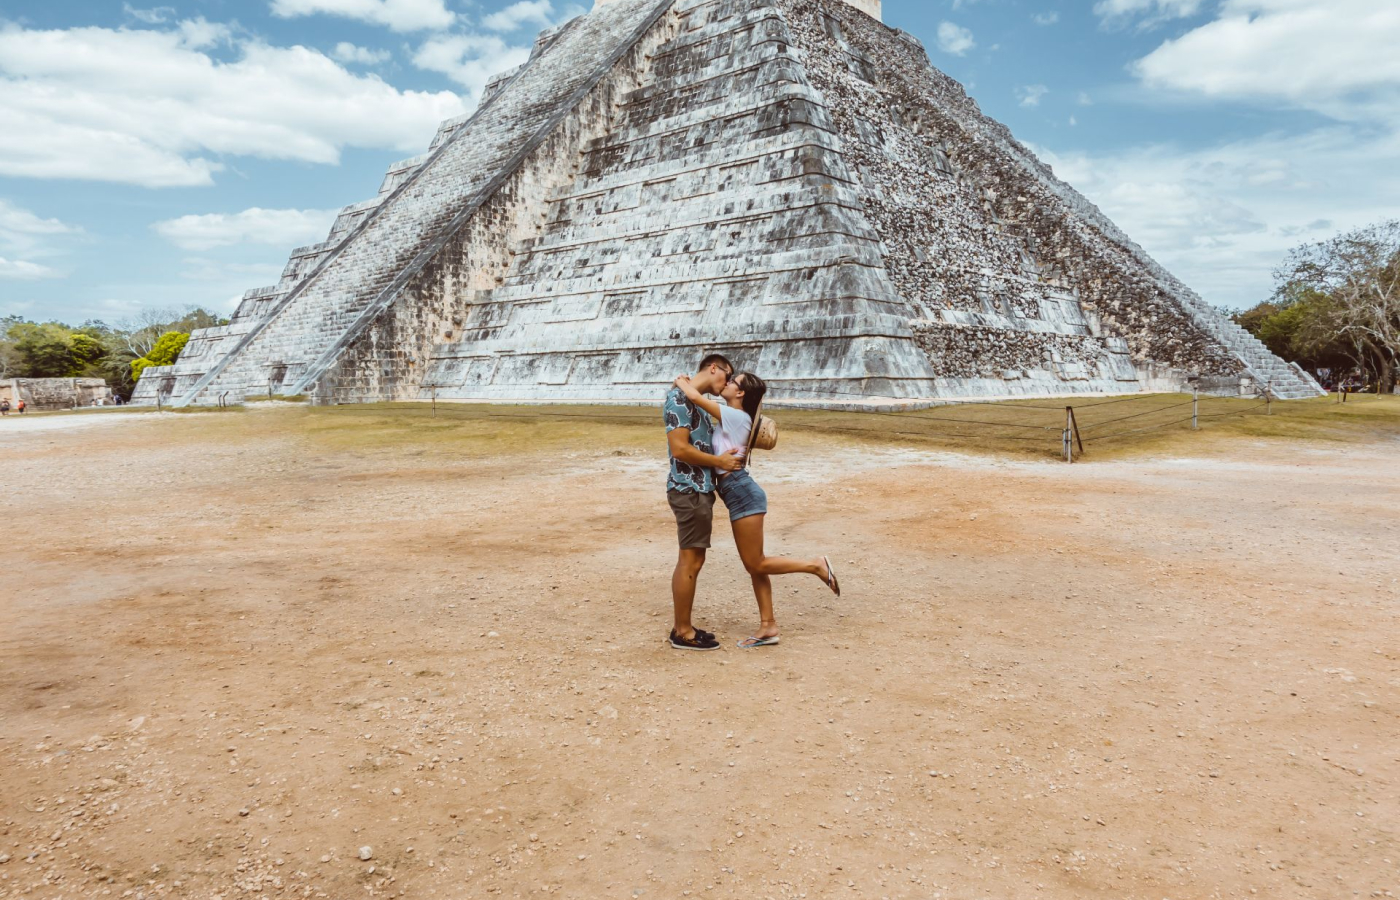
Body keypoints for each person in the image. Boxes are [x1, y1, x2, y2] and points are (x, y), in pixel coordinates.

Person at [673, 370, 840, 648]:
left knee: (756, 563)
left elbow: (692, 395)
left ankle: (816, 565)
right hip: (737, 491)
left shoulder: (737, 417)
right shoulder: (731, 416)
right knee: (756, 565)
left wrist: (681, 381)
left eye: (732, 382)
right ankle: (768, 627)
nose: (726, 384)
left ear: (740, 393)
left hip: (741, 492)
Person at [663, 354, 745, 651]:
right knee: (690, 560)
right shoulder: (679, 400)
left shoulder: (690, 399)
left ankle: (683, 626)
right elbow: (680, 448)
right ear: (714, 368)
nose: (726, 382)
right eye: (728, 374)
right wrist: (718, 461)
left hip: (697, 489)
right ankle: (682, 631)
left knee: (693, 559)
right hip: (689, 489)